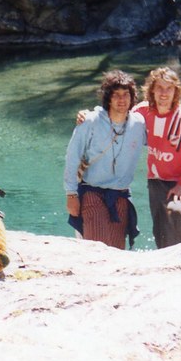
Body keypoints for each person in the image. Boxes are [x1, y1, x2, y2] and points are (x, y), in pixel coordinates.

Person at [63, 70, 145, 249]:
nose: (121, 100)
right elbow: (72, 156)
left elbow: (161, 115)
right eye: (116, 95)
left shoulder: (139, 124)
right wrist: (71, 194)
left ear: (132, 98)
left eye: (126, 95)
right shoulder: (90, 121)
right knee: (96, 246)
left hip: (120, 195)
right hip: (92, 192)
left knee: (117, 251)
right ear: (108, 98)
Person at [133, 67, 181, 248]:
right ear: (152, 90)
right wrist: (89, 116)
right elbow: (118, 119)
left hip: (178, 181)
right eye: (159, 88)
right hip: (155, 179)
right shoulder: (142, 112)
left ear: (176, 92)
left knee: (175, 212)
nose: (164, 93)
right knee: (161, 229)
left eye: (169, 89)